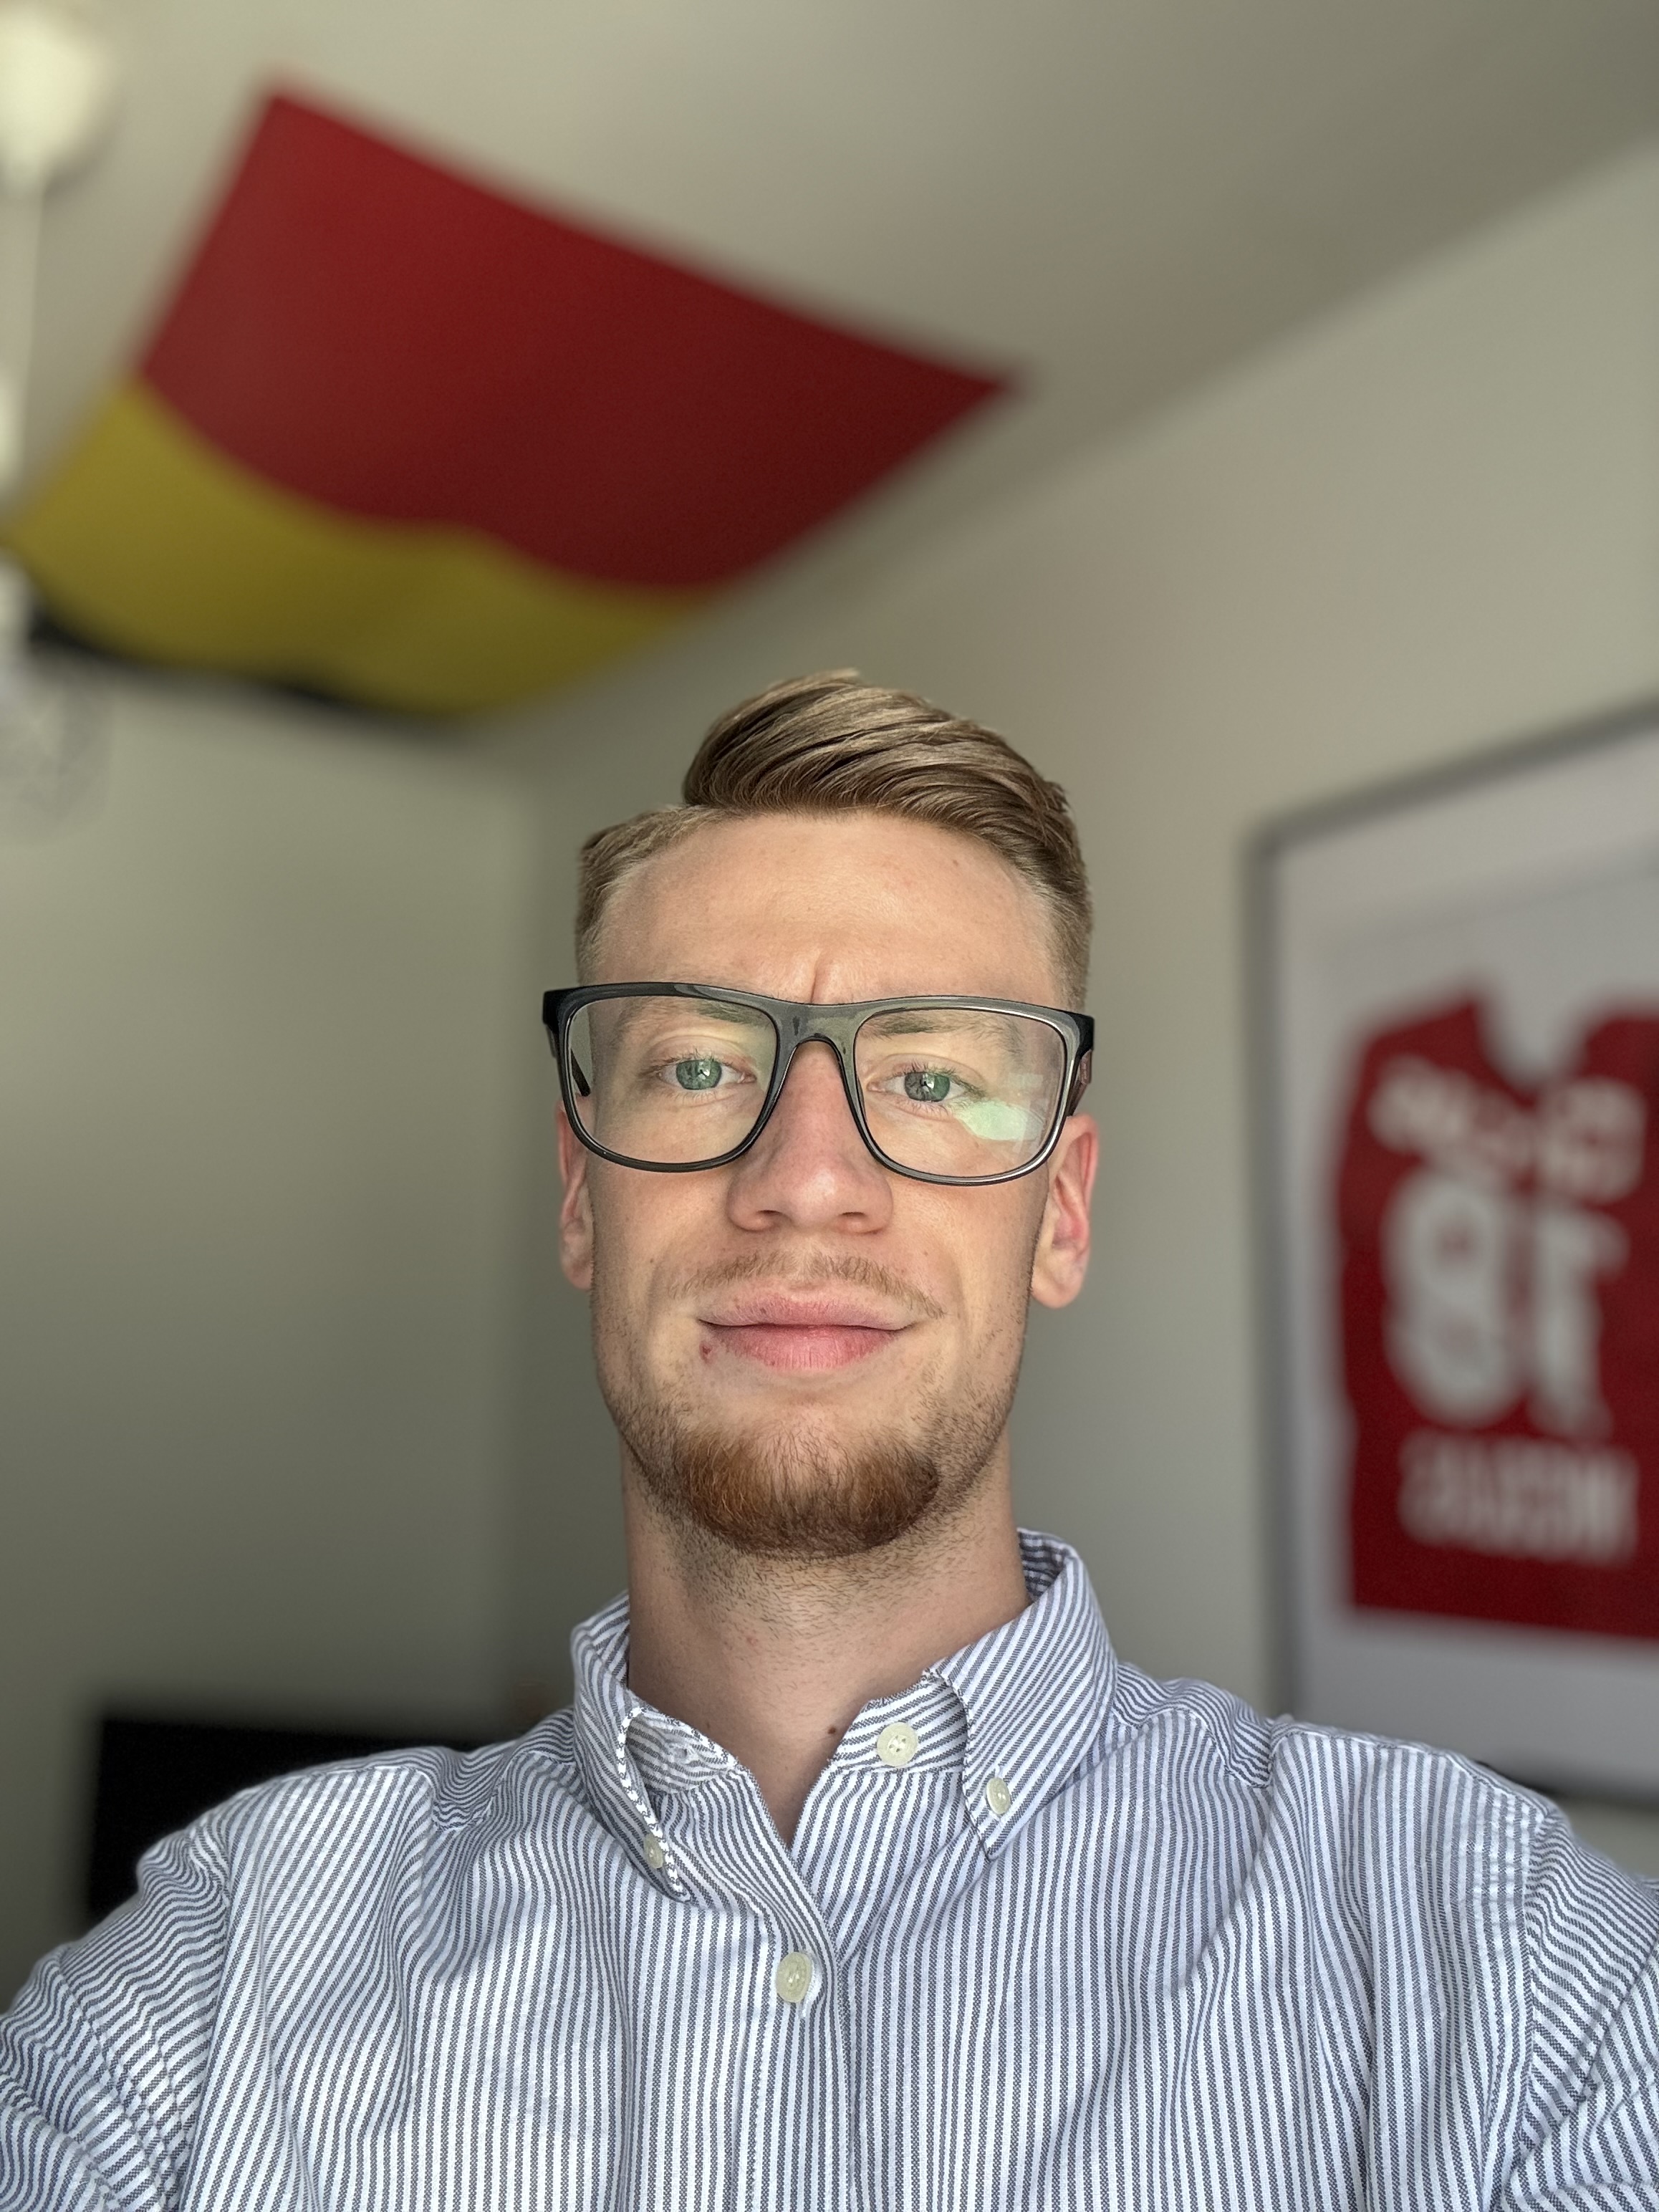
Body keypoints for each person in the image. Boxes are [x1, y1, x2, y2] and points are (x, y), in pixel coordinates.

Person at [4, 673, 1657, 2210]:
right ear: (581, 1199)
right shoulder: (216, 1978)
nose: (805, 1180)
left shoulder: (1503, 1963)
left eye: (930, 1079)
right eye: (699, 1064)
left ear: (1062, 1215)